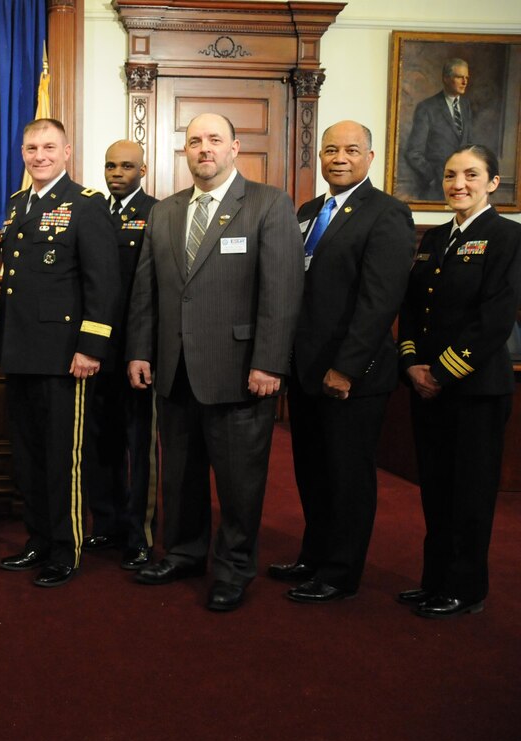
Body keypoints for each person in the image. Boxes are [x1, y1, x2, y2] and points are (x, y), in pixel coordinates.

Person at [126, 113, 303, 611]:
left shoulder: (268, 204)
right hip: (174, 368)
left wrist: (269, 362)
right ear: (184, 150)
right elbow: (147, 289)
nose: (204, 148)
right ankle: (183, 552)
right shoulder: (164, 212)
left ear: (235, 146)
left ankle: (234, 568)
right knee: (179, 475)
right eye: (195, 140)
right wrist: (140, 349)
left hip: (241, 370)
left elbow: (282, 292)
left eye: (214, 140)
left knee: (239, 481)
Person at [270, 121, 415, 603]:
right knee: (312, 471)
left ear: (370, 158)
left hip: (352, 376)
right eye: (331, 149)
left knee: (347, 477)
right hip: (307, 370)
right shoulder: (309, 211)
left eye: (351, 150)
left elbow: (380, 302)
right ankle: (314, 555)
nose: (339, 157)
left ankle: (340, 572)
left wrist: (346, 367)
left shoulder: (387, 213)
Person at [0, 118, 120, 588]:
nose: (39, 155)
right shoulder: (17, 204)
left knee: (62, 457)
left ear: (67, 152)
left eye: (49, 147)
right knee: (28, 456)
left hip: (66, 357)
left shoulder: (86, 206)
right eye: (31, 148)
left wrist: (91, 347)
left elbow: (103, 284)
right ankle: (38, 538)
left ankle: (66, 549)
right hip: (20, 351)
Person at [398, 144, 521, 618]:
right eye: (451, 175)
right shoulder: (435, 238)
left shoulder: (506, 237)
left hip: (475, 391)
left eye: (471, 175)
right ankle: (435, 581)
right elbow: (411, 307)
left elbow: (495, 319)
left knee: (469, 492)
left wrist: (442, 372)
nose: (458, 184)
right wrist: (410, 363)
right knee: (435, 488)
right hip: (427, 387)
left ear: (492, 182)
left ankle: (465, 589)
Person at [82, 139, 160, 571]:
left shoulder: (156, 212)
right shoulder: (91, 210)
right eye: (110, 165)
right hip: (96, 351)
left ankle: (140, 534)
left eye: (126, 166)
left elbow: (153, 291)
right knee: (100, 441)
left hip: (135, 351)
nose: (116, 173)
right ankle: (107, 523)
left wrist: (142, 349)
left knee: (138, 445)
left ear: (143, 170)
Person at [405, 58, 472, 201]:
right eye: (460, 77)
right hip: (434, 190)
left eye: (466, 78)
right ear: (446, 78)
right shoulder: (427, 108)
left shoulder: (466, 106)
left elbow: (468, 145)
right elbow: (413, 153)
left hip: (464, 189)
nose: (465, 82)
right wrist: (434, 177)